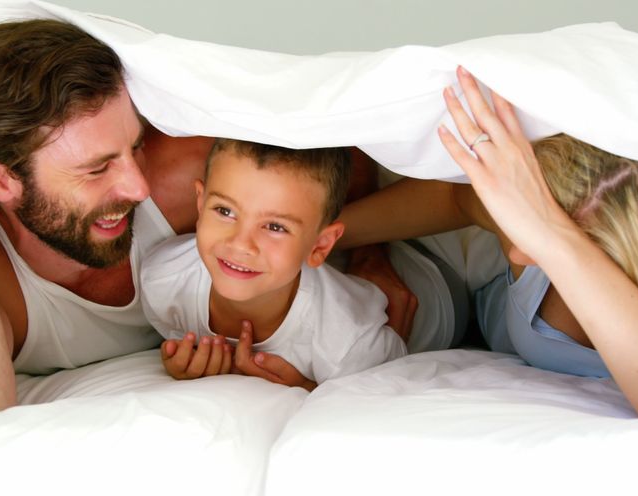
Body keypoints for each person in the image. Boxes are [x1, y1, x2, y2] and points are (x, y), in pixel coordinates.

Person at [0, 19, 411, 421]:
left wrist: (370, 257)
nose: (136, 186)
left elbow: (330, 146)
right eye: (97, 168)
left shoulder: (183, 171)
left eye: (132, 147)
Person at [339, 66, 638, 419]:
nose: (516, 252)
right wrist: (329, 237)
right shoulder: (533, 225)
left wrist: (556, 244)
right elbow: (458, 198)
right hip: (465, 278)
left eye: (540, 241)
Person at [141, 140, 426, 390]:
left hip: (424, 289)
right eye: (225, 211)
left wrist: (306, 387)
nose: (241, 244)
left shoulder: (350, 342)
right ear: (201, 206)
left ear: (320, 245)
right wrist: (185, 364)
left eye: (275, 226)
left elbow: (379, 400)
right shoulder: (163, 281)